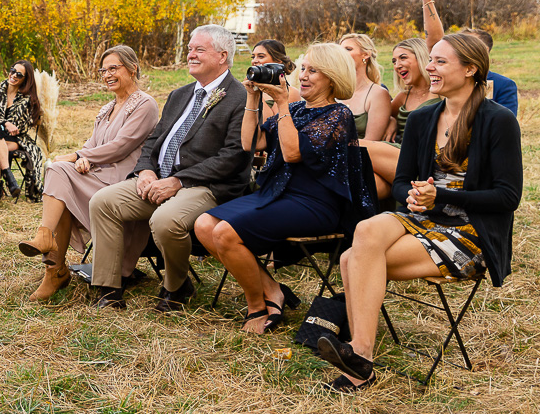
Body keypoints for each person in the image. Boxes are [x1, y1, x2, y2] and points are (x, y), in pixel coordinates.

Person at [319, 33, 522, 392]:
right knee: (365, 232)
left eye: (440, 62)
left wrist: (438, 196)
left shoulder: (498, 120)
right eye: (431, 61)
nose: (430, 67)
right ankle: (361, 354)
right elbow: (399, 183)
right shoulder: (423, 119)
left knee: (353, 260)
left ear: (471, 68)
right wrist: (412, 197)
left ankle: (358, 364)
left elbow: (508, 197)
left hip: (470, 233)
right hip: (420, 219)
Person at [195, 43, 375, 333]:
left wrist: (280, 105)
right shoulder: (295, 109)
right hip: (278, 193)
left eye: (313, 70)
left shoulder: (337, 115)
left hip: (315, 203)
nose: (302, 75)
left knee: (224, 233)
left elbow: (292, 153)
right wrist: (253, 99)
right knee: (204, 225)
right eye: (303, 68)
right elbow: (250, 142)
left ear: (332, 77)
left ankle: (257, 305)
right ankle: (272, 289)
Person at [85, 25, 249, 310]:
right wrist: (146, 170)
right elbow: (153, 140)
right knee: (103, 201)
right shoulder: (179, 94)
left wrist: (177, 181)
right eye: (189, 49)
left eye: (199, 49)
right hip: (159, 178)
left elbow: (234, 155)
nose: (191, 55)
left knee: (165, 220)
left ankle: (176, 286)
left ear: (222, 56)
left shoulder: (240, 97)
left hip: (206, 186)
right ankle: (109, 287)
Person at [18, 46, 159, 301]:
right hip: (99, 176)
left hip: (123, 182)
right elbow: (92, 145)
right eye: (103, 70)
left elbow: (122, 146)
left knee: (61, 171)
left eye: (113, 68)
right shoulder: (107, 108)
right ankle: (51, 260)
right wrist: (84, 158)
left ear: (132, 68)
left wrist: (80, 157)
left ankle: (53, 261)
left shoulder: (145, 105)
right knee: (59, 174)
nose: (107, 75)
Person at [360, 38, 435, 199]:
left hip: (423, 159)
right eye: (394, 61)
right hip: (399, 156)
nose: (397, 65)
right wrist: (392, 121)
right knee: (369, 179)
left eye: (403, 58)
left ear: (421, 57)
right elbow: (384, 114)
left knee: (356, 145)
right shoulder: (403, 97)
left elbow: (436, 39)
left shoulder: (439, 93)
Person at [0, 59, 45, 204]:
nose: (14, 75)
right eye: (13, 70)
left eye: (19, 74)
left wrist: (0, 123)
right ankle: (8, 176)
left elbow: (21, 127)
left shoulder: (28, 99)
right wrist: (4, 123)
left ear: (26, 79)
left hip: (15, 139)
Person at [339, 33, 393, 141]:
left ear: (365, 55)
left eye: (348, 49)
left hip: (362, 154)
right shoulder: (332, 89)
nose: (341, 54)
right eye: (339, 51)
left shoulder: (378, 94)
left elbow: (371, 142)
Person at [461, 29, 517, 116]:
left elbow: (506, 122)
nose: (459, 49)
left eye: (466, 44)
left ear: (484, 50)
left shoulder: (503, 85)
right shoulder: (446, 80)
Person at [249, 40, 300, 108]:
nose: (254, 61)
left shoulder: (290, 93)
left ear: (277, 62)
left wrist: (255, 95)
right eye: (253, 57)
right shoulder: (248, 88)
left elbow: (271, 118)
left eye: (261, 56)